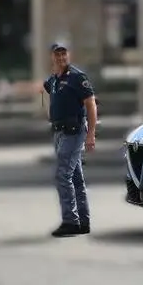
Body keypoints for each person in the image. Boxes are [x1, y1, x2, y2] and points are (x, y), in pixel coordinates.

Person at [42, 42, 97, 237]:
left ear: (69, 55)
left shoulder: (77, 77)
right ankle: (83, 221)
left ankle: (70, 221)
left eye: (64, 54)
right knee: (75, 177)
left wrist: (91, 134)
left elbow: (91, 104)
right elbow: (45, 91)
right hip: (59, 132)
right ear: (52, 57)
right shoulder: (54, 80)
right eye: (57, 54)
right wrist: (48, 110)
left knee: (62, 174)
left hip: (74, 132)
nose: (61, 57)